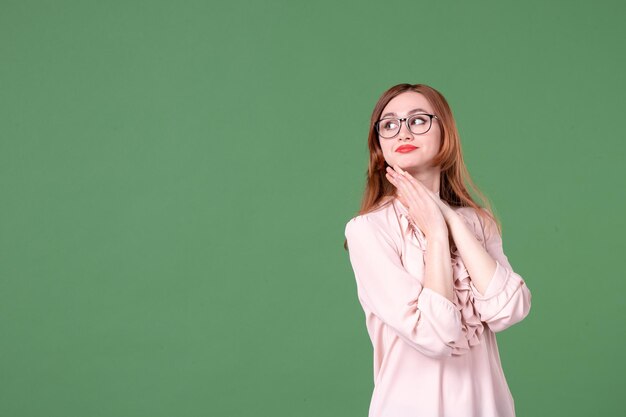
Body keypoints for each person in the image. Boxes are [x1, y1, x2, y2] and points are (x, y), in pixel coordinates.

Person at [343, 83, 532, 417]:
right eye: (389, 124)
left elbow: (510, 310)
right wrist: (434, 233)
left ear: (446, 132)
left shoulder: (478, 223)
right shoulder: (368, 231)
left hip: (487, 407)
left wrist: (450, 219)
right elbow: (436, 336)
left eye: (418, 120)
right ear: (379, 144)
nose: (403, 132)